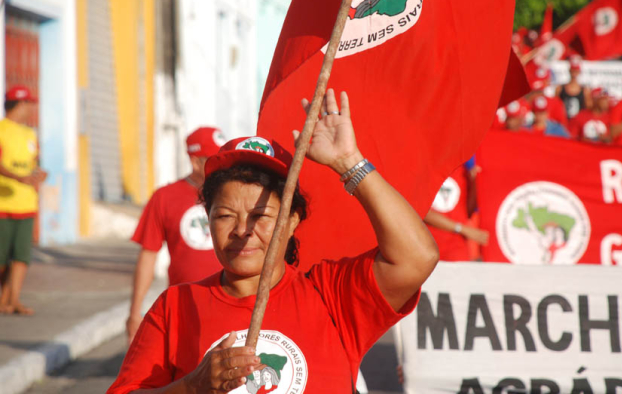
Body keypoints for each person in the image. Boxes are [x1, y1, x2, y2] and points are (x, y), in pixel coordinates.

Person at [107, 89, 439, 393]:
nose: (242, 230)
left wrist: (348, 162)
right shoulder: (175, 307)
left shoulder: (332, 295)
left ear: (292, 220)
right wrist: (192, 386)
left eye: (260, 216)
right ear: (207, 220)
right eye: (224, 216)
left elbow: (417, 257)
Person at [125, 127, 226, 343]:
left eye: (223, 158)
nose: (221, 166)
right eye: (213, 159)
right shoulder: (164, 198)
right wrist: (135, 313)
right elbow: (148, 256)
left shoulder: (233, 194)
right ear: (195, 162)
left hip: (230, 301)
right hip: (184, 307)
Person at [0, 85, 47, 315]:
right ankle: (3, 299)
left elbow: (33, 164)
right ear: (17, 104)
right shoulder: (1, 130)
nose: (30, 108)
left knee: (21, 256)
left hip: (26, 204)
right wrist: (18, 177)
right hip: (3, 205)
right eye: (27, 103)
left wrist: (39, 174)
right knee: (1, 256)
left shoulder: (30, 134)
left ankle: (13, 300)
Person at [424, 158, 488, 261]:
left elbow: (467, 211)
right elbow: (422, 212)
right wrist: (462, 229)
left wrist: (474, 184)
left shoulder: (463, 170)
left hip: (457, 251)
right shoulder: (425, 169)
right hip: (427, 247)